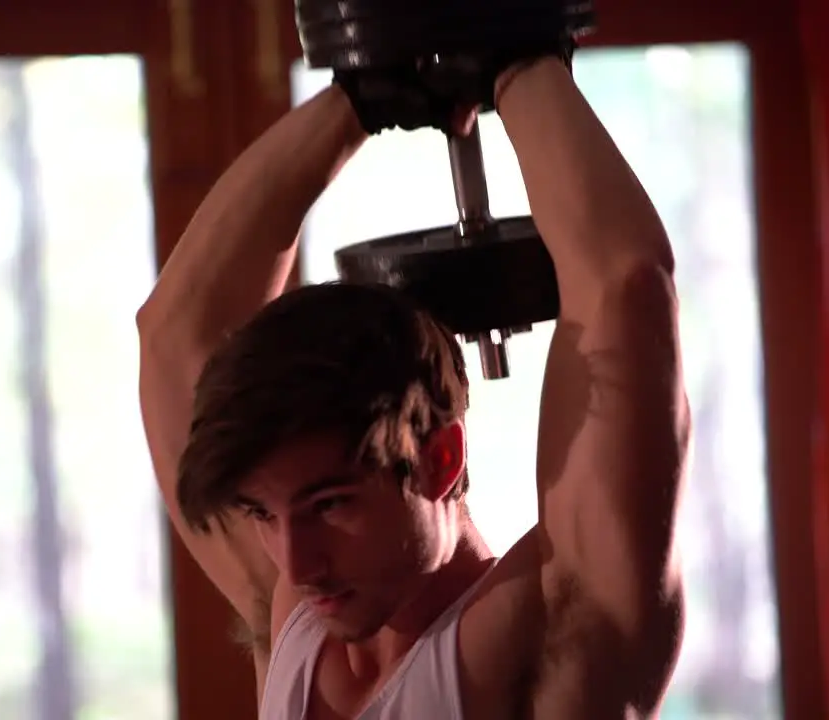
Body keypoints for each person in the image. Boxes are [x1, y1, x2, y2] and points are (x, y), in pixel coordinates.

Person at [137, 45, 689, 720]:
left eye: (332, 504)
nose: (297, 561)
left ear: (441, 458)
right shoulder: (301, 620)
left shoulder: (541, 640)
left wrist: (517, 56)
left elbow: (624, 287)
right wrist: (364, 95)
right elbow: (173, 336)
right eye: (261, 513)